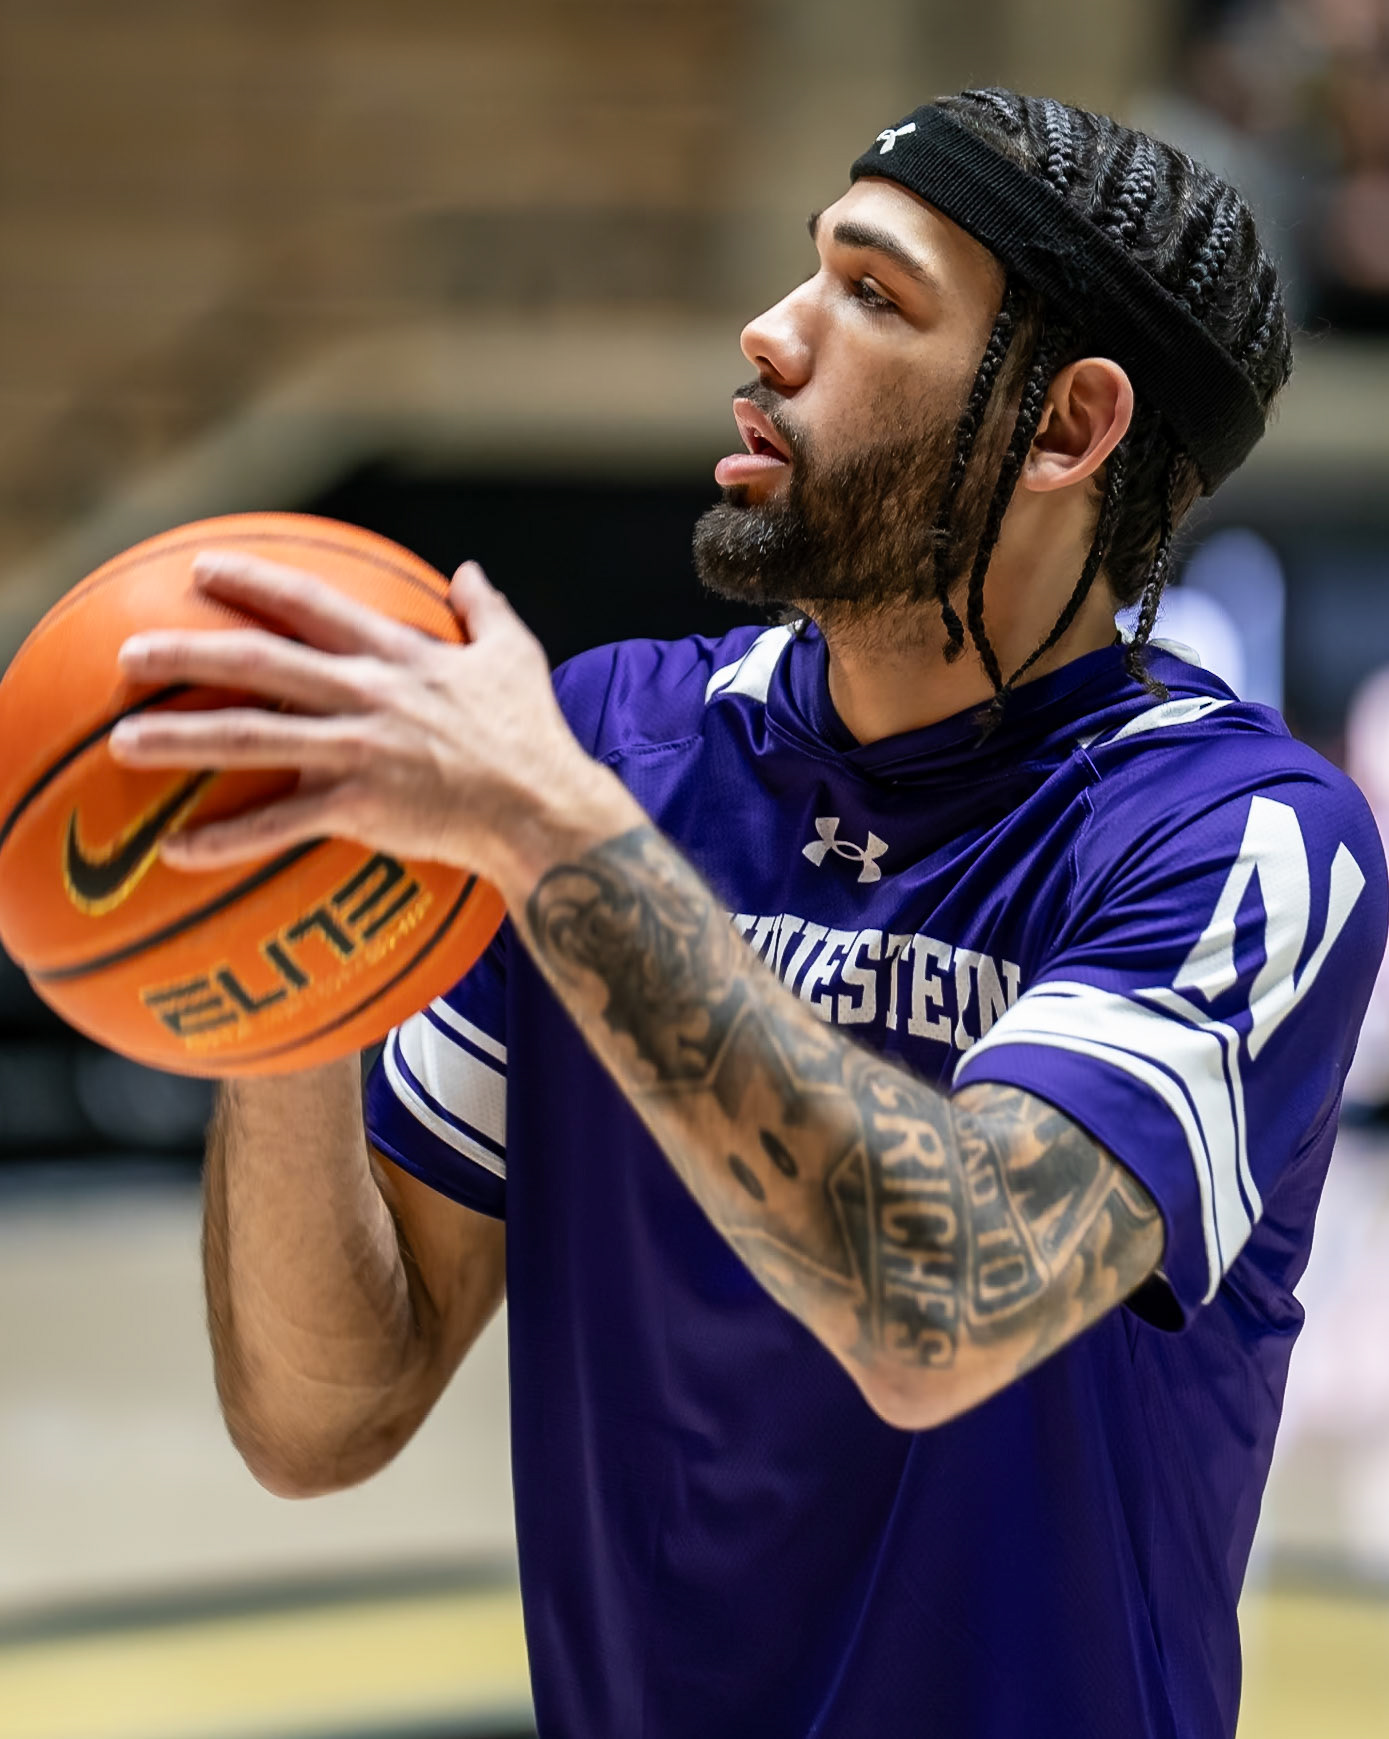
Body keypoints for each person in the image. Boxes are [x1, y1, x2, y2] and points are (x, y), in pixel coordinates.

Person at [109, 89, 1386, 1739]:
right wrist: (274, 962)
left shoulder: (1233, 838)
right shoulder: (608, 748)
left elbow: (945, 1304)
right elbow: (321, 1418)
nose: (770, 335)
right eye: (807, 270)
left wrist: (546, 832)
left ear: (1066, 427)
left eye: (871, 294)